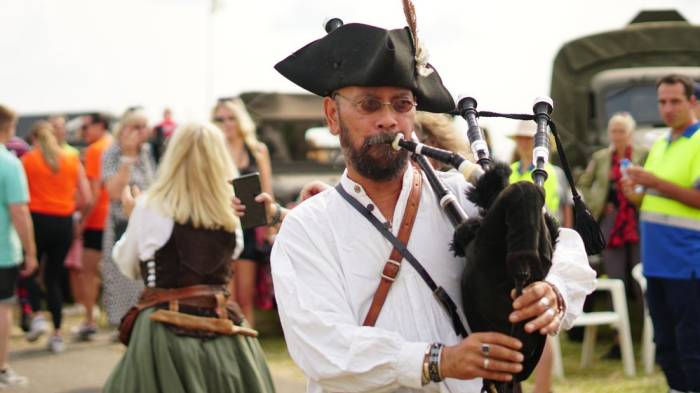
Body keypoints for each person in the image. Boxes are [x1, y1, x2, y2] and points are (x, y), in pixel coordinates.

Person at [270, 11, 596, 392]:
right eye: (369, 105)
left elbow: (566, 247)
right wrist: (439, 361)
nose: (388, 120)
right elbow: (321, 344)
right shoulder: (308, 228)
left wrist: (553, 291)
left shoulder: (462, 195)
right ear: (332, 114)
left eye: (402, 104)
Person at [103, 122, 275, 393]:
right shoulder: (230, 209)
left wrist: (132, 215)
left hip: (165, 332)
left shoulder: (150, 206)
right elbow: (231, 256)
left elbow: (127, 263)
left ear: (174, 155)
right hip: (222, 329)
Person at [623, 73, 700, 393]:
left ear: (693, 102)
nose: (667, 108)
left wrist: (654, 183)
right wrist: (632, 191)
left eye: (675, 101)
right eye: (662, 102)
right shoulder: (660, 144)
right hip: (655, 263)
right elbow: (649, 201)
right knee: (665, 343)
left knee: (691, 345)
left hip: (688, 265)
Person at [21, 121, 92, 352]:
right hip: (63, 222)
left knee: (29, 269)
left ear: (34, 139)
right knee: (53, 278)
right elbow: (87, 197)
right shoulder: (72, 159)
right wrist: (73, 211)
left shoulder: (28, 161)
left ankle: (38, 315)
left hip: (37, 220)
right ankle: (58, 334)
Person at [212, 97, 274, 327]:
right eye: (220, 119)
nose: (226, 123)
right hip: (222, 227)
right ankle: (230, 351)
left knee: (246, 298)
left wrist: (271, 227)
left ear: (241, 120)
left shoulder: (257, 150)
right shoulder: (213, 150)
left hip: (250, 225)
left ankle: (249, 351)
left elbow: (267, 192)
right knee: (227, 299)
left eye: (231, 118)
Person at [101, 107, 155, 329]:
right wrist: (127, 157)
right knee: (122, 275)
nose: (141, 132)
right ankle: (124, 324)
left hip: (148, 222)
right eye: (136, 127)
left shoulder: (148, 151)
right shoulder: (112, 153)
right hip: (120, 223)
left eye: (144, 126)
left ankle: (145, 319)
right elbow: (113, 191)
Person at [0, 104, 35, 387]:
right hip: (3, 250)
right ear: (9, 128)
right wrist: (31, 252)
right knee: (2, 309)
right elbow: (19, 213)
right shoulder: (9, 163)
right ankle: (1, 368)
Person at [75, 112, 113, 339]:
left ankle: (90, 320)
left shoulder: (95, 150)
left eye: (86, 127)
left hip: (98, 220)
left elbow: (93, 194)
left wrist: (82, 222)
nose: (83, 132)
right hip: (118, 219)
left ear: (100, 125)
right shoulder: (115, 144)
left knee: (87, 272)